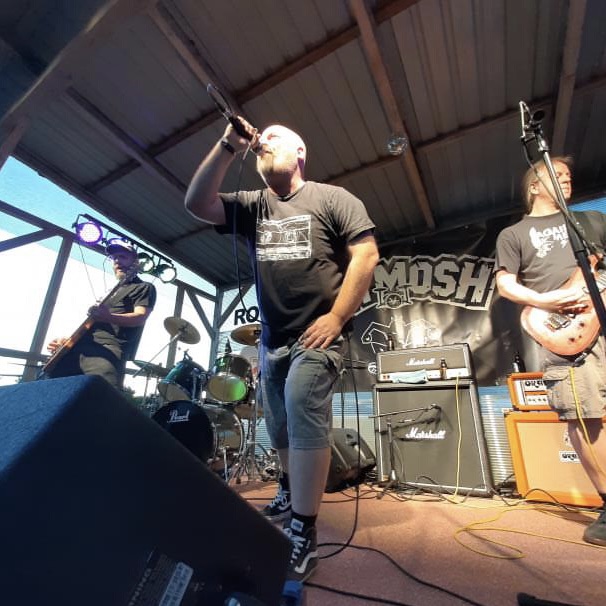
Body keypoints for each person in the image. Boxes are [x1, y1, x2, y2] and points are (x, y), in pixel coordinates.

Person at [185, 121, 379, 581]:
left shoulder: (333, 198)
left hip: (318, 334)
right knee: (278, 427)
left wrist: (336, 317)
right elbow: (197, 204)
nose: (264, 142)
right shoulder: (253, 204)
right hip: (272, 341)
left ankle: (303, 532)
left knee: (300, 404)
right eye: (262, 138)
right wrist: (228, 144)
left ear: (301, 151)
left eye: (275, 136)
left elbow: (366, 255)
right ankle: (290, 491)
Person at [495, 155, 606, 546]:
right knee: (583, 416)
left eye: (568, 175)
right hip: (567, 332)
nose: (566, 179)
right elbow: (506, 285)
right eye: (555, 174)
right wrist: (548, 301)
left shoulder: (591, 223)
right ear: (533, 186)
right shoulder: (514, 235)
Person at [44, 240, 157, 390]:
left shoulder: (144, 287)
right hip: (80, 350)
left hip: (107, 351)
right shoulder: (111, 292)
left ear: (135, 262)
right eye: (114, 258)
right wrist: (67, 342)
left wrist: (108, 317)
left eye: (123, 257)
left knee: (100, 396)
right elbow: (92, 325)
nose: (117, 261)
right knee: (51, 392)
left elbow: (140, 317)